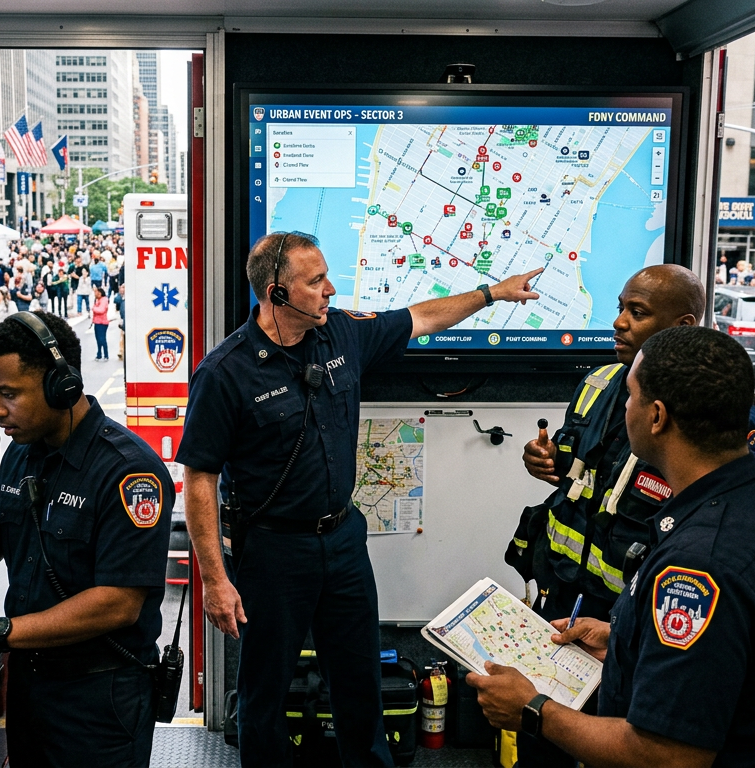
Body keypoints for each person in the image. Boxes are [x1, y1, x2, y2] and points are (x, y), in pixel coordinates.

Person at [177, 231, 541, 767]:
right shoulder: (225, 372)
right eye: (315, 280)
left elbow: (423, 316)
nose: (330, 289)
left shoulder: (342, 332)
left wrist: (492, 293)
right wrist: (215, 579)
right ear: (277, 293)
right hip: (271, 553)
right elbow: (200, 479)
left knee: (358, 683)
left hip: (343, 541)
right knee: (264, 694)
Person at [468, 326, 755, 767]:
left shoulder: (698, 565)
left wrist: (533, 710)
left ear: (656, 417)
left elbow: (667, 757)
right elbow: (730, 658)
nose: (622, 406)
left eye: (630, 396)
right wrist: (625, 639)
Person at [507, 265, 755, 767]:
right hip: (571, 595)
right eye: (619, 307)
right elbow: (585, 468)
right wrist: (551, 461)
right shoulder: (600, 383)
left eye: (637, 312)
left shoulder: (723, 420)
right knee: (545, 737)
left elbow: (740, 521)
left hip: (653, 609)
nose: (618, 323)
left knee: (619, 731)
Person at [0, 311, 174, 768]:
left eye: (8, 394)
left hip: (98, 702)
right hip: (31, 687)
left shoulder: (129, 471)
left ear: (61, 386)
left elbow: (119, 602)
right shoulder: (19, 453)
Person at [90, 287, 110, 360]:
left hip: (102, 322)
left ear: (100, 293)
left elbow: (101, 310)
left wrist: (93, 308)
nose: (95, 294)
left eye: (96, 292)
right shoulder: (97, 300)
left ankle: (106, 355)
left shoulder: (104, 300)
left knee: (102, 339)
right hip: (97, 322)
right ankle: (99, 354)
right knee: (98, 339)